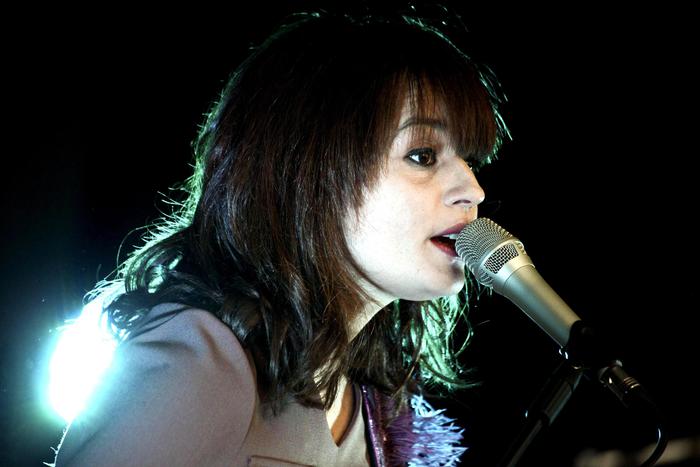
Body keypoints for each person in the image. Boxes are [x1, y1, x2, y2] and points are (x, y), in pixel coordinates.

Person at [51, 4, 509, 466]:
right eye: (423, 155)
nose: (473, 189)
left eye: (469, 160)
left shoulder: (378, 415)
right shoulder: (204, 365)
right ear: (310, 170)